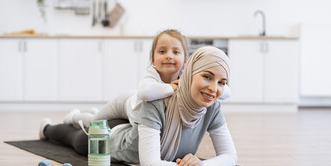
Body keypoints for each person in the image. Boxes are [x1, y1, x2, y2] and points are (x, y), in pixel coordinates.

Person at [40, 46, 256, 166]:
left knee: (88, 127)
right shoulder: (156, 102)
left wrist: (200, 163)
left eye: (221, 82)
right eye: (207, 77)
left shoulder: (213, 107)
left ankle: (88, 116)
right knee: (75, 139)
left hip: (136, 128)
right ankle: (47, 129)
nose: (213, 88)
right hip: (117, 143)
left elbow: (230, 157)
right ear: (189, 73)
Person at [61, 29, 231, 129]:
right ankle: (74, 116)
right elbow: (143, 93)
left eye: (176, 52)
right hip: (125, 104)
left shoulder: (186, 77)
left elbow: (225, 93)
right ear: (152, 59)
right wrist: (172, 88)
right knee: (94, 125)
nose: (169, 56)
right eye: (162, 51)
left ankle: (93, 112)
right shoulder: (152, 74)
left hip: (140, 119)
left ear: (186, 60)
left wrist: (212, 85)